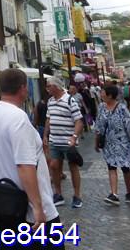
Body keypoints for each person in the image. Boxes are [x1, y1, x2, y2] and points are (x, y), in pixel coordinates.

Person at [0, 68, 64, 249]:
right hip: (27, 210)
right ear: (22, 88)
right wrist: (38, 208)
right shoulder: (18, 118)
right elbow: (24, 165)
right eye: (26, 87)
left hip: (5, 204)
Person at [95, 85, 130, 205]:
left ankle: (129, 193)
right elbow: (98, 127)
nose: (101, 94)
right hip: (108, 145)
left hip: (123, 144)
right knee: (111, 167)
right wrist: (96, 142)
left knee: (125, 168)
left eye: (103, 92)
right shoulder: (101, 107)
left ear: (110, 95)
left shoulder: (122, 108)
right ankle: (114, 194)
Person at [43, 76, 84, 209]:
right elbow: (48, 119)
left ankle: (77, 196)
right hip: (54, 140)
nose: (47, 88)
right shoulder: (50, 101)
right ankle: (58, 194)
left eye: (49, 86)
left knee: (73, 168)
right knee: (54, 166)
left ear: (56, 87)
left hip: (68, 141)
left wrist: (74, 137)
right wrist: (45, 136)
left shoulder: (70, 100)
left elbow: (79, 121)